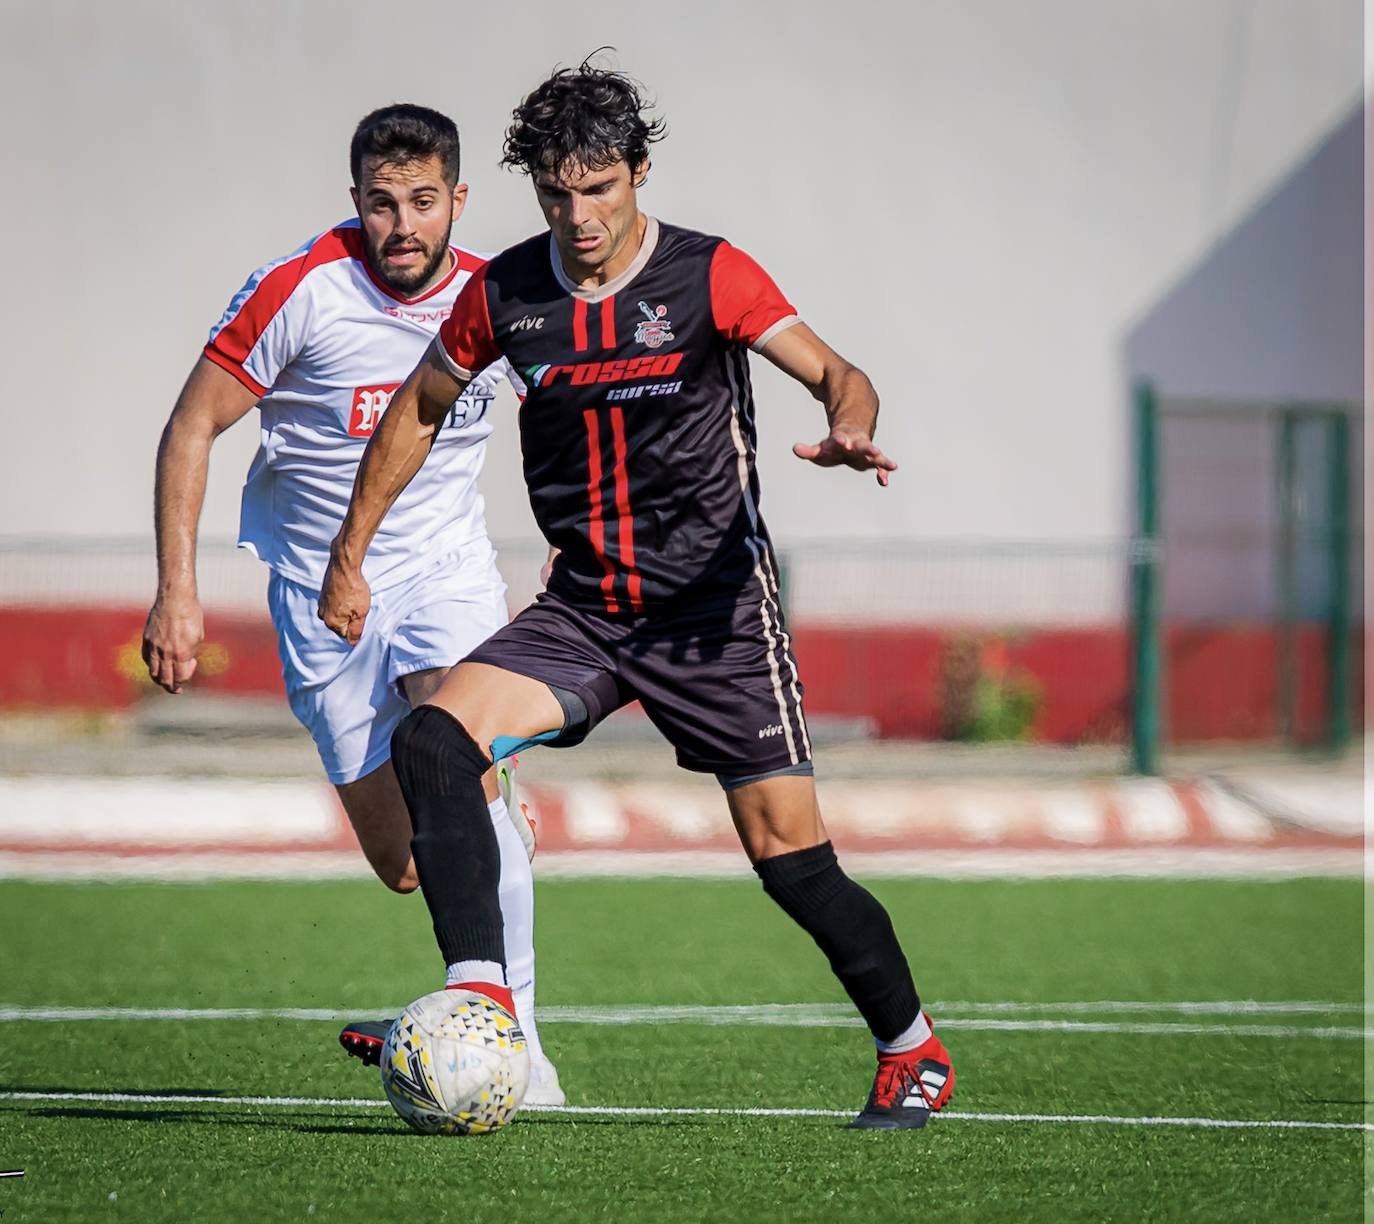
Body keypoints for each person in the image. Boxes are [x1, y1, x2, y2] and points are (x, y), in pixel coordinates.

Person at [318, 64, 954, 1130]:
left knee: (793, 863)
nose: (580, 217)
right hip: (587, 614)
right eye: (558, 195)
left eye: (600, 188)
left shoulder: (713, 276)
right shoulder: (505, 295)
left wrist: (849, 424)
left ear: (638, 174)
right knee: (435, 741)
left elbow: (838, 371)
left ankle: (911, 1050)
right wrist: (351, 552)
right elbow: (417, 415)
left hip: (714, 617)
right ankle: (482, 1001)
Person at [141, 103, 563, 1106]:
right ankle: (484, 828)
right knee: (406, 862)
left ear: (458, 199)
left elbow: (567, 417)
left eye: (424, 202)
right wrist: (178, 590)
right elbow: (193, 425)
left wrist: (568, 551)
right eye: (383, 204)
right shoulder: (302, 291)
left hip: (444, 574)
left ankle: (519, 1047)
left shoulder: (496, 293)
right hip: (318, 599)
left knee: (455, 765)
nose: (403, 225)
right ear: (356, 203)